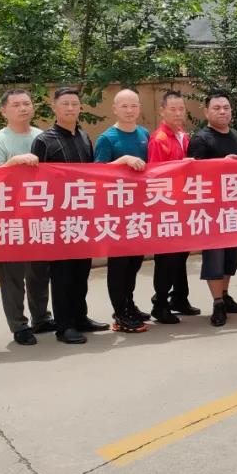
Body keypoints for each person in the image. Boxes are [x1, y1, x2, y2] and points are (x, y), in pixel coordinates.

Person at [31, 87, 108, 344]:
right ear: (54, 107)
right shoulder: (44, 141)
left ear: (80, 107)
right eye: (65, 103)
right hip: (57, 217)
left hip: (83, 216)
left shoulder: (84, 136)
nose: (70, 108)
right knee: (62, 274)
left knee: (81, 271)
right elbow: (35, 183)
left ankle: (80, 317)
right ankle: (64, 326)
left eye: (75, 103)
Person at [0, 88, 55, 346]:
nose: (23, 108)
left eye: (26, 103)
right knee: (13, 275)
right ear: (3, 110)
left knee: (40, 271)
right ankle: (18, 325)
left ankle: (41, 317)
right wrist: (13, 162)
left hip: (39, 214)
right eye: (16, 105)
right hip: (10, 218)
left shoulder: (42, 136)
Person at [188, 91, 237, 327]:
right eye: (216, 108)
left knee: (232, 255)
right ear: (206, 112)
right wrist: (220, 166)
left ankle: (225, 295)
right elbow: (193, 174)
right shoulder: (200, 139)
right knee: (215, 257)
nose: (222, 111)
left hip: (235, 208)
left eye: (226, 107)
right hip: (211, 210)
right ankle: (217, 303)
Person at [94, 89, 150, 333]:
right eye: (124, 106)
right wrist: (123, 160)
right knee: (119, 264)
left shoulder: (144, 134)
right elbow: (97, 173)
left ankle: (129, 303)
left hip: (140, 210)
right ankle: (119, 312)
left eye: (133, 105)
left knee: (135, 262)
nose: (129, 110)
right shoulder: (107, 139)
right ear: (115, 109)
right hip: (116, 212)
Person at [147, 90, 201, 323]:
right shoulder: (159, 139)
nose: (178, 113)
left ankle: (179, 298)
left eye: (181, 109)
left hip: (184, 205)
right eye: (173, 109)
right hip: (167, 207)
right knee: (167, 259)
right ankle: (160, 303)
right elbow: (155, 175)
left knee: (181, 255)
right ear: (162, 111)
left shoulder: (182, 135)